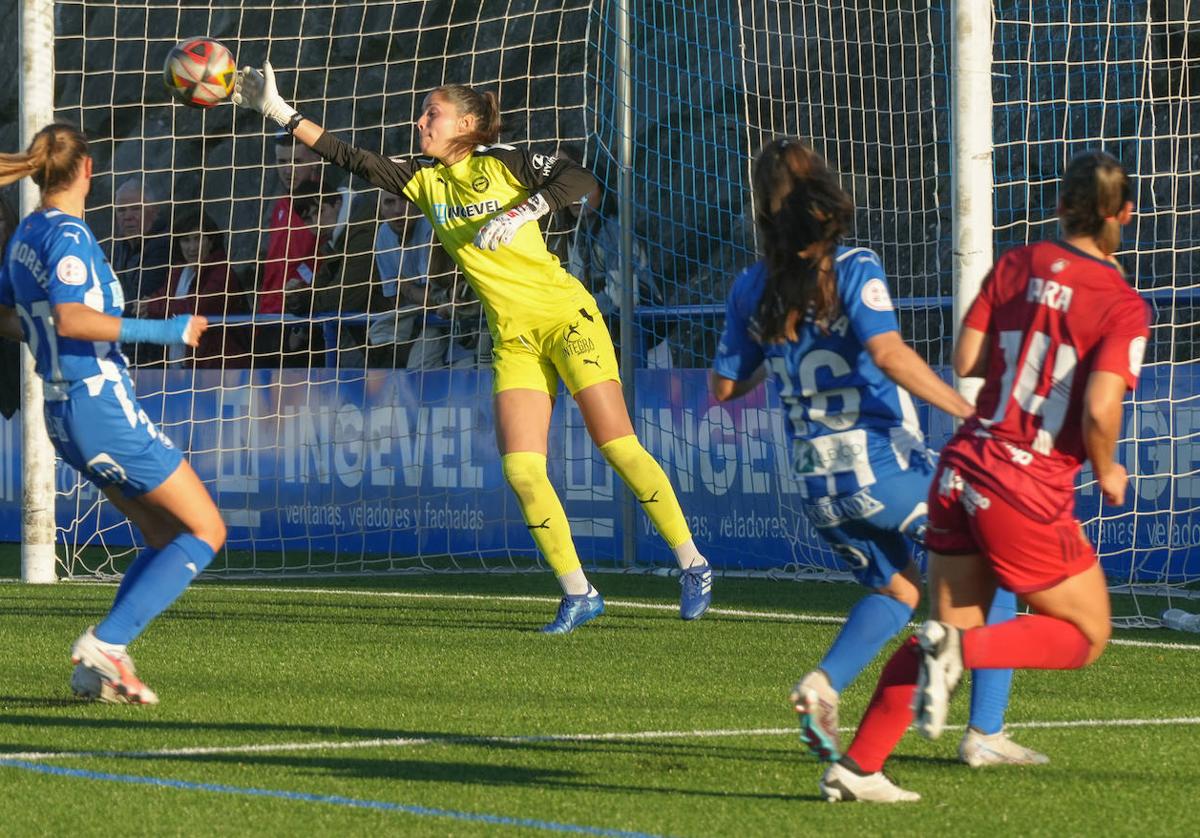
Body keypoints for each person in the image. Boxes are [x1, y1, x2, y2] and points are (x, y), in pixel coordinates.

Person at [235, 66, 713, 631]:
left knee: (617, 446)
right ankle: (579, 592)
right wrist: (279, 113)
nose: (420, 121)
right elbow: (352, 158)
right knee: (521, 468)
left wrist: (522, 210)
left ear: (465, 122)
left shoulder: (502, 161)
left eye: (430, 114)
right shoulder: (422, 180)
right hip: (512, 339)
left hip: (567, 318)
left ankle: (692, 563)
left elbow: (580, 181)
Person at [818, 149, 1149, 803]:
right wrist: (1108, 468)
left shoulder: (1015, 263)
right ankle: (956, 671)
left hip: (961, 465)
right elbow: (1102, 406)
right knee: (1086, 634)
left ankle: (856, 768)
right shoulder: (1121, 303)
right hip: (1023, 482)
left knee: (949, 630)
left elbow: (966, 357)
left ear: (1061, 205)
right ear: (1126, 214)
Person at [710, 138, 1045, 770]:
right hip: (880, 464)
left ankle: (823, 683)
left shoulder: (753, 286)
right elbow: (889, 353)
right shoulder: (853, 265)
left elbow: (724, 387)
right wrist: (966, 411)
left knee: (898, 591)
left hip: (818, 483)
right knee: (993, 561)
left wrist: (780, 356)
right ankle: (985, 733)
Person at [0, 124, 227, 703]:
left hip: (61, 411)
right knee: (206, 529)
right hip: (97, 404)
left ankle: (101, 663)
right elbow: (74, 319)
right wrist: (167, 328)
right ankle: (106, 643)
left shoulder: (27, 233)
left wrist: (41, 329)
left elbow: (12, 317)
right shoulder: (69, 237)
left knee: (159, 532)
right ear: (87, 171)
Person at [285, 174, 389, 368]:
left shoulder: (364, 229)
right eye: (308, 220)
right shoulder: (337, 237)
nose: (316, 223)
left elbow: (345, 295)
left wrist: (303, 299)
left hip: (395, 338)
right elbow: (323, 286)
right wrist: (298, 292)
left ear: (337, 203)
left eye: (320, 212)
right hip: (376, 339)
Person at [139, 206, 251, 368]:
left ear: (210, 241)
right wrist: (144, 305)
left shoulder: (222, 273)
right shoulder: (178, 271)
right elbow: (162, 296)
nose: (192, 247)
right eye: (186, 240)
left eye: (197, 239)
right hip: (181, 366)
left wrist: (152, 306)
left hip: (220, 369)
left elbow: (197, 307)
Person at [253, 131, 323, 366]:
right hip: (269, 320)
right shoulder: (281, 206)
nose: (288, 169)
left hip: (301, 323)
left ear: (316, 161)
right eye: (282, 161)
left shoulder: (325, 206)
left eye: (296, 161)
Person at [109, 176, 172, 366]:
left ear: (154, 211)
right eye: (121, 210)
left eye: (136, 208)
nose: (128, 216)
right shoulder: (115, 248)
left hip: (154, 354)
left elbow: (138, 301)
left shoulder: (164, 246)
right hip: (123, 348)